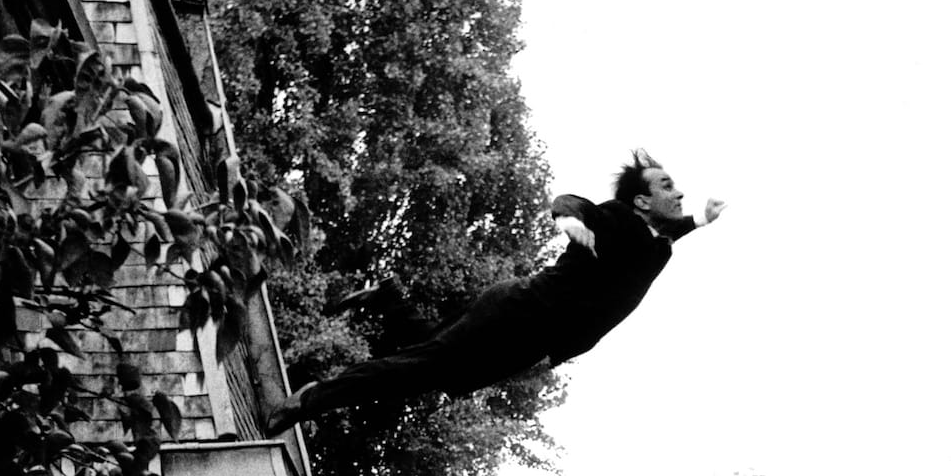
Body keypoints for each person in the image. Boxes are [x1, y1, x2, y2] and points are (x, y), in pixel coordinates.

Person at [265, 151, 725, 433]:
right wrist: (567, 220)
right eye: (668, 186)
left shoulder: (656, 246)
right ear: (642, 201)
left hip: (534, 339)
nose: (679, 191)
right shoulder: (619, 220)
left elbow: (662, 237)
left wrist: (700, 220)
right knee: (422, 368)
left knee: (436, 360)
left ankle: (386, 298)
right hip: (520, 314)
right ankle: (308, 401)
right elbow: (576, 203)